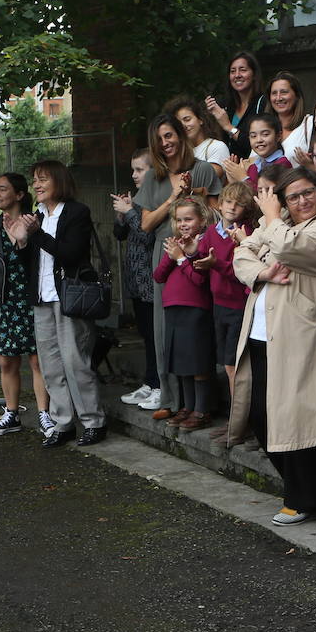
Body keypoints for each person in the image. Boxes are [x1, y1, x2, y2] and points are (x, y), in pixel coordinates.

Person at [229, 167, 316, 525]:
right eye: (293, 197)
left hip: (305, 334)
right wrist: (264, 273)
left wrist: (271, 218)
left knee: (299, 414)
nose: (301, 202)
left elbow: (289, 246)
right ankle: (303, 485)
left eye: (308, 193)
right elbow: (242, 254)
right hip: (263, 331)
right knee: (261, 416)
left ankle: (304, 498)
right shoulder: (279, 224)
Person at [9, 160, 107, 448]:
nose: (36, 185)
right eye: (35, 180)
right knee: (50, 365)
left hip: (69, 297)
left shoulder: (77, 212)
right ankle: (63, 423)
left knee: (75, 361)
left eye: (43, 180)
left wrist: (36, 234)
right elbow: (31, 262)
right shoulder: (34, 214)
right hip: (42, 298)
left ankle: (93, 421)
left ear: (59, 182)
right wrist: (21, 242)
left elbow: (72, 254)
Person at [135, 114, 224, 422]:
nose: (165, 143)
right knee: (164, 330)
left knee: (196, 331)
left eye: (170, 135)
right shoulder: (153, 178)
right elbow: (146, 223)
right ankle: (172, 398)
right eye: (159, 138)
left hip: (196, 256)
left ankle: (202, 404)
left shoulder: (200, 169)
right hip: (164, 258)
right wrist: (173, 198)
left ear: (181, 135)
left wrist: (193, 222)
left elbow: (215, 213)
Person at [0, 172, 52, 436]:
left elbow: (35, 262)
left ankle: (45, 414)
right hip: (6, 303)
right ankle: (11, 414)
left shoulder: (35, 223)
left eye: (3, 189)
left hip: (32, 299)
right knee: (7, 361)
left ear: (19, 194)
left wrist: (20, 238)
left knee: (37, 361)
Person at [187, 181, 257, 438]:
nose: (232, 207)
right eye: (228, 202)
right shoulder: (213, 232)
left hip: (238, 305)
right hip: (218, 305)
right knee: (227, 365)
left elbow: (242, 272)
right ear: (220, 203)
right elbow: (202, 259)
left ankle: (240, 422)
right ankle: (235, 420)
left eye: (239, 204)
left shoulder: (246, 233)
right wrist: (193, 254)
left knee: (233, 367)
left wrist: (216, 264)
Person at [152, 196, 215, 432]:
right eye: (179, 220)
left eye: (188, 219)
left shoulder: (203, 244)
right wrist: (173, 256)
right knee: (181, 361)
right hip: (173, 308)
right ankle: (187, 407)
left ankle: (202, 410)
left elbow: (199, 279)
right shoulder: (176, 242)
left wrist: (182, 257)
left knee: (197, 361)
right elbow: (158, 275)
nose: (183, 224)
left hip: (195, 308)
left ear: (202, 219)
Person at [113, 151, 161, 411]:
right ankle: (149, 382)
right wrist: (122, 215)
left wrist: (130, 212)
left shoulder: (156, 199)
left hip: (151, 281)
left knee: (156, 336)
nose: (134, 175)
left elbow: (147, 236)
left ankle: (160, 385)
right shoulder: (138, 199)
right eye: (133, 170)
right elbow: (119, 234)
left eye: (139, 170)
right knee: (145, 334)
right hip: (136, 282)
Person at [204, 51, 266, 160]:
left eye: (243, 70)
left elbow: (258, 145)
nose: (237, 75)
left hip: (255, 169)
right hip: (230, 171)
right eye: (233, 71)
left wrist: (228, 127)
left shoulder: (262, 103)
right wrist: (212, 119)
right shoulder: (226, 106)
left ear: (254, 75)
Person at [167, 96, 231, 166]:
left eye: (187, 119)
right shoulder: (180, 153)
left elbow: (208, 176)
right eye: (178, 123)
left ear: (200, 120)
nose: (183, 126)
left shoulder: (216, 146)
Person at [266, 72, 315, 161]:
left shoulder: (310, 123)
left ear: (296, 96)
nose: (278, 98)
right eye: (274, 93)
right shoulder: (263, 127)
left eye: (284, 92)